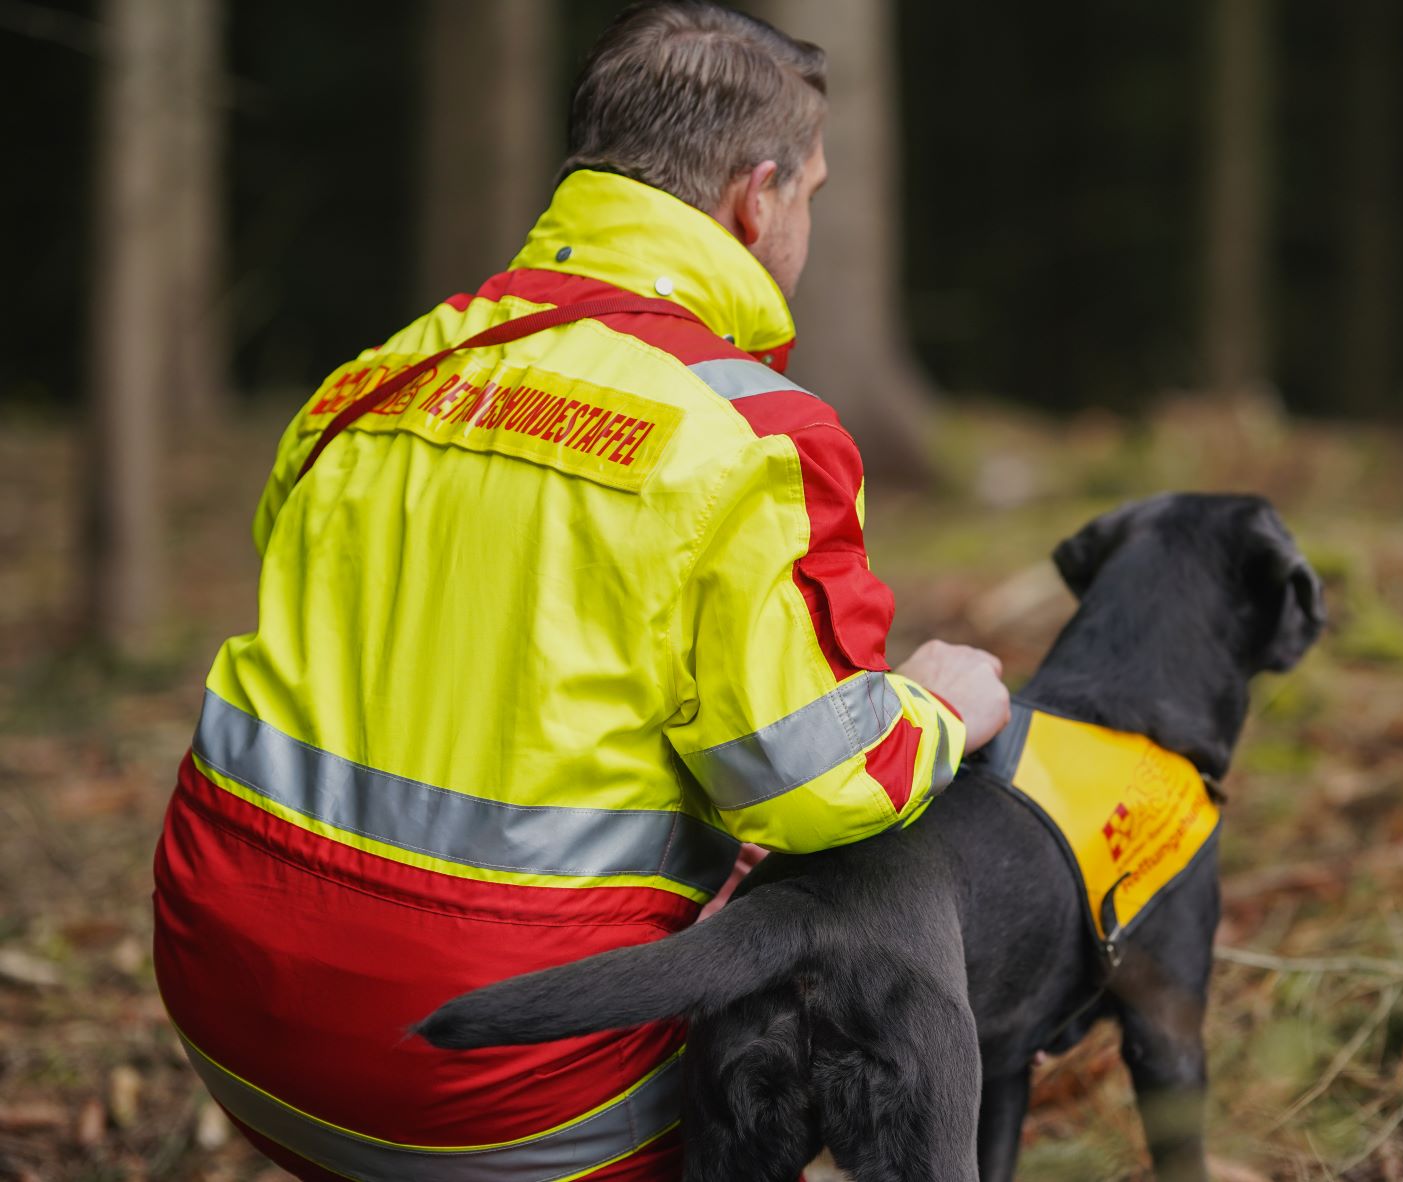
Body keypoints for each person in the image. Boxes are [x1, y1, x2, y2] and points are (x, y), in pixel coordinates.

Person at [150, 4, 1010, 1179]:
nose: (803, 219)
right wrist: (944, 709)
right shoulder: (750, 436)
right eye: (810, 192)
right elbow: (815, 786)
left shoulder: (381, 375)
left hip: (229, 1020)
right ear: (757, 200)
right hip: (506, 1087)